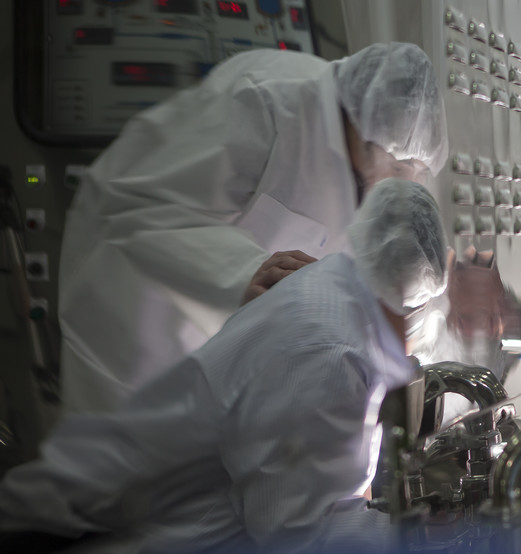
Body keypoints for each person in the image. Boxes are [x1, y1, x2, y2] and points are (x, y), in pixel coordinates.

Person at [0, 178, 449, 554]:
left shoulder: (327, 293)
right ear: (411, 301)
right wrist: (432, 543)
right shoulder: (327, 345)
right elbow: (303, 546)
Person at [58, 42, 448, 415]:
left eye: (412, 170)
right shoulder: (267, 100)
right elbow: (148, 215)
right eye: (395, 163)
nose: (395, 178)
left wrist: (410, 315)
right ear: (361, 123)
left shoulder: (382, 158)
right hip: (135, 335)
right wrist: (250, 273)